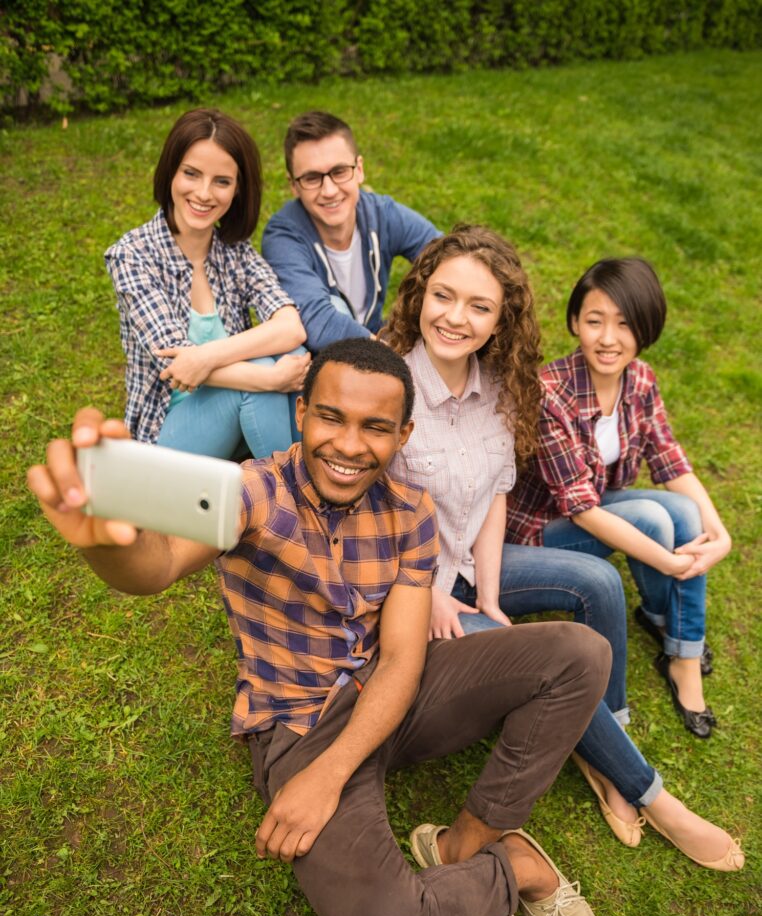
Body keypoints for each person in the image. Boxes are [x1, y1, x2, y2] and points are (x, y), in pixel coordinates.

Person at [28, 338, 613, 916]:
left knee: (579, 653)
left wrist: (334, 774)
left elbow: (401, 659)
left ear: (403, 434)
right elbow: (157, 565)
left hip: (393, 691)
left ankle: (465, 846)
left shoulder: (411, 512)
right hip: (299, 722)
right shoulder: (253, 492)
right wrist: (106, 545)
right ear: (302, 411)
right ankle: (517, 869)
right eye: (331, 417)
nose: (350, 445)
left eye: (376, 427)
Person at [383, 227, 743, 874]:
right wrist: (433, 593)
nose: (456, 318)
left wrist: (489, 594)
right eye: (444, 296)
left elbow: (495, 494)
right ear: (420, 294)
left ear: (502, 319)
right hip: (411, 590)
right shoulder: (388, 382)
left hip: (474, 568)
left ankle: (608, 735)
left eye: (479, 306)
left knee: (599, 585)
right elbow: (363, 517)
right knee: (555, 662)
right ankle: (652, 795)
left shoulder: (497, 384)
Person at [505, 258, 731, 740]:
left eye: (624, 324)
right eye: (594, 321)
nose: (608, 338)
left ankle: (680, 648)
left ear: (645, 329)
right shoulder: (550, 392)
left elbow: (671, 460)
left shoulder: (641, 380)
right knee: (652, 520)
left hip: (596, 502)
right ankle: (668, 619)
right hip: (539, 527)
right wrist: (671, 564)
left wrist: (720, 533)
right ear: (574, 323)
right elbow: (581, 508)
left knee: (685, 512)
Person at [105, 107, 310, 459]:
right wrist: (269, 379)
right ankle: (292, 495)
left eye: (221, 181)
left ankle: (297, 479)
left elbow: (290, 326)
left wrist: (206, 356)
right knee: (267, 371)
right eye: (191, 174)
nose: (203, 193)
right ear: (171, 171)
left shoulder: (234, 252)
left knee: (291, 354)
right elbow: (175, 366)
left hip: (237, 414)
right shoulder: (132, 255)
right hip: (167, 435)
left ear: (237, 190)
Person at [261, 111, 440, 351]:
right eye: (312, 178)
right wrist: (391, 356)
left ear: (359, 169)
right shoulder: (283, 236)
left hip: (372, 343)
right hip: (314, 364)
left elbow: (447, 258)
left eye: (339, 172)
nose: (329, 190)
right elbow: (317, 322)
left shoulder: (382, 214)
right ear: (294, 186)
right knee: (334, 306)